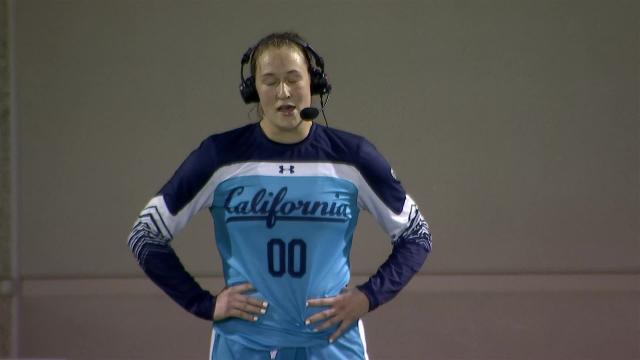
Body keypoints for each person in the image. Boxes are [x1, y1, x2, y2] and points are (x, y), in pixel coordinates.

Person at [127, 31, 432, 360]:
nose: (283, 92)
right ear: (253, 89)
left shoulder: (353, 157)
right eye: (270, 81)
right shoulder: (220, 156)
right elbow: (145, 235)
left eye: (293, 79)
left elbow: (416, 236)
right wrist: (205, 303)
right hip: (242, 345)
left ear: (313, 84)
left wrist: (367, 297)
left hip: (333, 345)